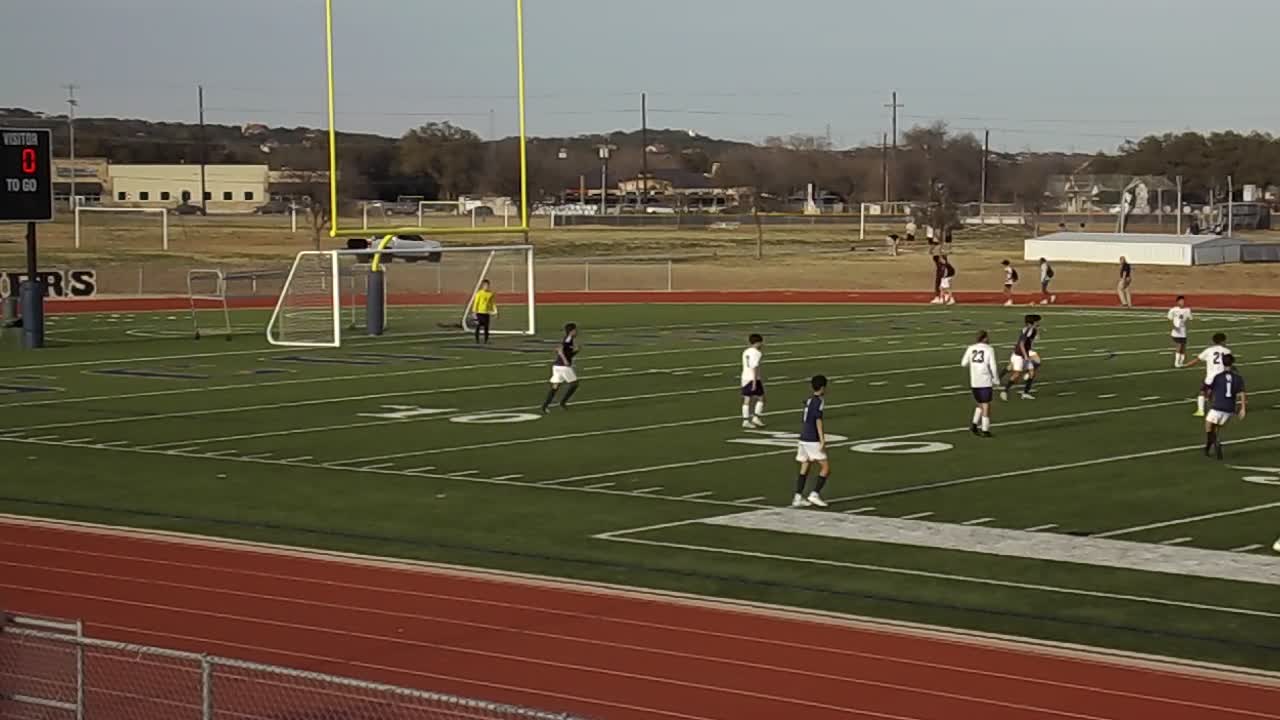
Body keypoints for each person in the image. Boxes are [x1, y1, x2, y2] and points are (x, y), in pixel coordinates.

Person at [792, 375, 830, 509]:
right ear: (823, 387)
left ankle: (797, 497)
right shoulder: (819, 401)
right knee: (825, 468)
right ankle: (815, 494)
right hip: (811, 438)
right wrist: (822, 439)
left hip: (803, 436)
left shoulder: (809, 400)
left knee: (805, 465)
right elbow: (818, 420)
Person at [1203, 354, 1245, 461]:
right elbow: (1242, 393)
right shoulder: (1238, 378)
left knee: (1209, 427)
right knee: (1216, 427)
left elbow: (1210, 391)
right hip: (1229, 408)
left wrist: (1208, 399)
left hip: (1218, 406)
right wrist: (1243, 408)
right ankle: (1209, 447)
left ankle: (1213, 445)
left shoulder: (1218, 377)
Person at [962, 330, 999, 437]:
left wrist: (974, 367)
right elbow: (993, 366)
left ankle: (974, 425)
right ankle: (985, 429)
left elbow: (963, 363)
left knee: (980, 404)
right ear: (985, 338)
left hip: (974, 381)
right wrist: (996, 379)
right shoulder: (989, 349)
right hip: (985, 380)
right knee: (986, 405)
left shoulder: (971, 348)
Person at [1184, 332, 1231, 417]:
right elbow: (1229, 364)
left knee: (1202, 392)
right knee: (1218, 394)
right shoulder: (1227, 351)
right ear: (1223, 341)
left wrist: (1186, 365)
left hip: (1210, 377)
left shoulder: (1208, 350)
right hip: (1222, 376)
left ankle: (1201, 410)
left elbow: (1197, 360)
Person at [540, 323, 580, 414]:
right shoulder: (568, 339)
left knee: (555, 386)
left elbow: (566, 353)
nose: (577, 332)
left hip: (557, 366)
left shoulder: (570, 340)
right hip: (563, 366)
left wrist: (576, 351)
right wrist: (565, 360)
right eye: (575, 330)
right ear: (572, 331)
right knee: (574, 384)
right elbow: (560, 350)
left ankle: (545, 406)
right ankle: (563, 403)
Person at [1001, 314, 1041, 401]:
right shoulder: (1029, 330)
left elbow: (1034, 339)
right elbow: (1022, 344)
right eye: (1037, 321)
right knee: (1016, 374)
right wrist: (1026, 356)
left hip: (1024, 353)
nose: (1039, 323)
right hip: (1019, 355)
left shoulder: (1032, 329)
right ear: (1033, 322)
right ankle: (1005, 391)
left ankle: (1025, 393)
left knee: (1032, 373)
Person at [740, 334, 766, 429]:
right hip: (752, 378)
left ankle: (746, 420)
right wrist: (755, 381)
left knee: (747, 399)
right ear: (758, 342)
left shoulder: (746, 351)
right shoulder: (756, 353)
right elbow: (754, 367)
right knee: (761, 398)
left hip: (745, 377)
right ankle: (755, 417)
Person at [1167, 296, 1192, 368]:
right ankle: (1176, 363)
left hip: (1183, 332)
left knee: (1183, 347)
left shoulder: (1187, 310)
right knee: (1179, 345)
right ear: (1177, 302)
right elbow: (1169, 319)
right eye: (1181, 301)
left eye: (1183, 301)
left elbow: (1190, 319)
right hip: (1176, 332)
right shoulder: (1173, 310)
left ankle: (1181, 362)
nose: (1182, 302)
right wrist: (1174, 327)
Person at [471, 279, 496, 344]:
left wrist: (494, 311)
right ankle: (477, 340)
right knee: (478, 327)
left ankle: (486, 340)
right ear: (483, 286)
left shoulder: (490, 293)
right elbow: (476, 302)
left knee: (486, 328)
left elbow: (492, 303)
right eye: (485, 285)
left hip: (486, 313)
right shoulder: (479, 293)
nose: (486, 287)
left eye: (487, 285)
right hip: (479, 313)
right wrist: (474, 312)